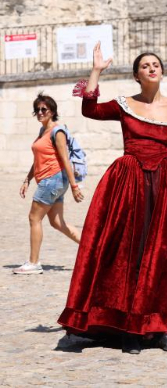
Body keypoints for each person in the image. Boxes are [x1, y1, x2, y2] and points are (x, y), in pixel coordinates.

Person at [58, 42, 167, 354]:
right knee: (128, 254)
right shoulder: (124, 105)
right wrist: (96, 71)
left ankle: (160, 328)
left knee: (164, 257)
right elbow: (90, 109)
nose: (151, 68)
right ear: (136, 76)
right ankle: (127, 328)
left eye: (155, 64)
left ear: (162, 71)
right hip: (129, 184)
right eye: (145, 66)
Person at [15, 94, 83, 275]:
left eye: (43, 109)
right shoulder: (42, 131)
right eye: (37, 109)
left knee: (34, 218)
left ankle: (34, 262)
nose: (40, 112)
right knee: (57, 222)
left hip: (52, 180)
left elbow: (65, 159)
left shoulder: (57, 131)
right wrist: (27, 179)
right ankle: (93, 248)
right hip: (52, 181)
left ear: (52, 111)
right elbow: (37, 159)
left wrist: (75, 186)